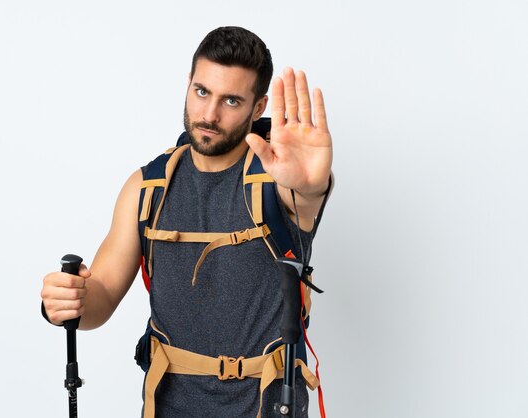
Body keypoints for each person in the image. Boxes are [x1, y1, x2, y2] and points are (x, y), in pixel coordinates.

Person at [41, 26, 333, 418]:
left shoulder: (280, 184)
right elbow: (102, 295)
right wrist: (69, 300)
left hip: (265, 406)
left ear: (258, 107)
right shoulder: (147, 188)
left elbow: (306, 199)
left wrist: (312, 188)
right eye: (202, 92)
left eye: (231, 100)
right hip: (168, 406)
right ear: (188, 84)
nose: (209, 115)